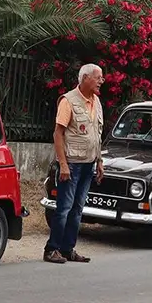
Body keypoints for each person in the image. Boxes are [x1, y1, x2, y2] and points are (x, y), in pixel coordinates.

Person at [47, 63, 105, 264]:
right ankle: (52, 249)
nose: (101, 81)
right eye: (98, 77)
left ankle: (68, 248)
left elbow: (96, 134)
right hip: (71, 164)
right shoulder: (68, 101)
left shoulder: (96, 102)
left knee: (78, 209)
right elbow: (58, 133)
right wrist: (62, 164)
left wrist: (99, 161)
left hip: (89, 164)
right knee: (64, 208)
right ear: (86, 78)